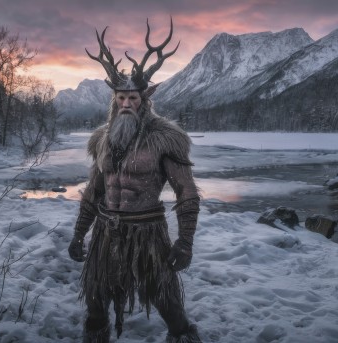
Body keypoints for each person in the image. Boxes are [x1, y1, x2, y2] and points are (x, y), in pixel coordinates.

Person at [68, 18, 202, 343]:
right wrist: (78, 235)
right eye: (121, 99)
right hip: (106, 231)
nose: (127, 104)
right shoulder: (102, 139)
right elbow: (93, 192)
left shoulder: (164, 138)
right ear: (114, 100)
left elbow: (186, 191)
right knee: (96, 297)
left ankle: (183, 337)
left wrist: (185, 241)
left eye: (134, 99)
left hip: (148, 232)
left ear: (145, 99)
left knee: (165, 298)